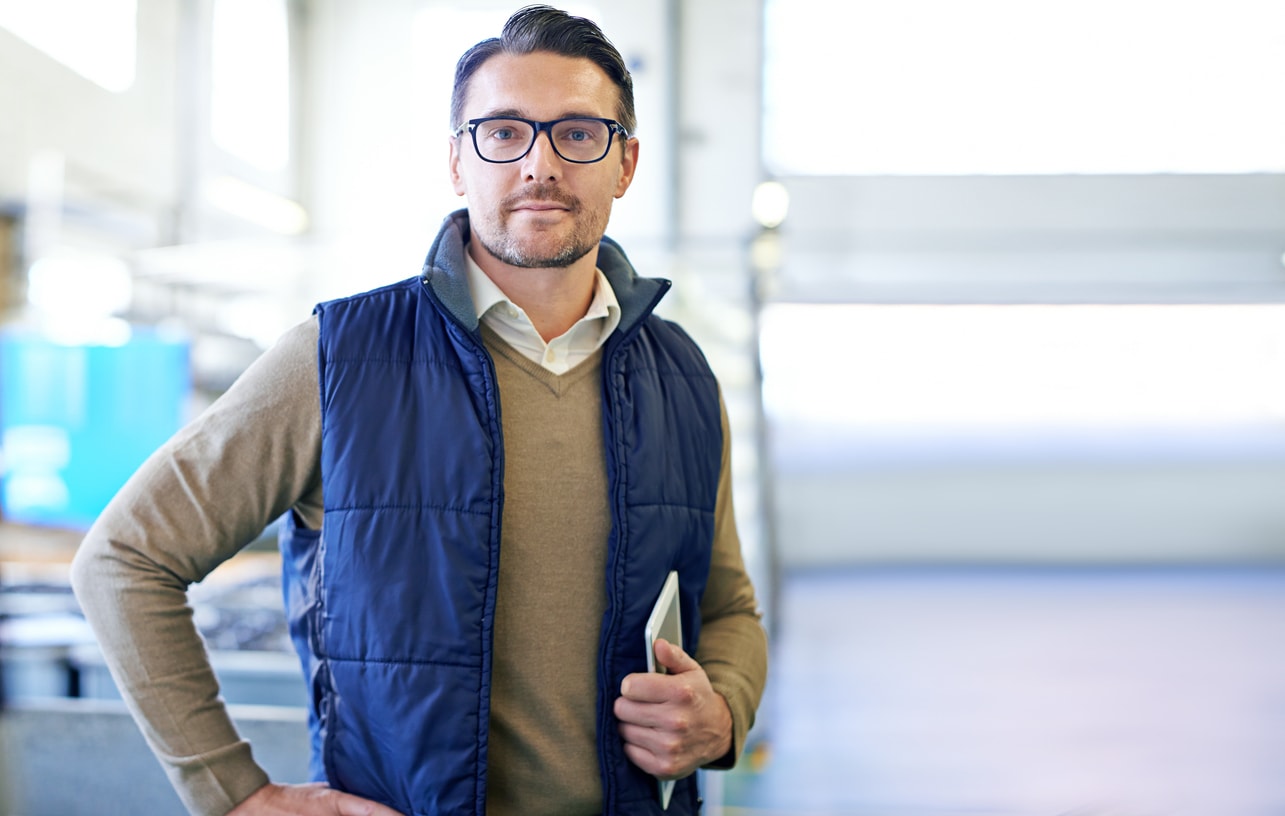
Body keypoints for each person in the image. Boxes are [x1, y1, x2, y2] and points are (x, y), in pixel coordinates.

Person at [70, 5, 767, 816]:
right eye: (502, 132)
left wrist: (723, 713)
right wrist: (232, 792)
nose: (540, 163)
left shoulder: (680, 374)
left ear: (626, 162)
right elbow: (124, 559)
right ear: (456, 162)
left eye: (578, 133)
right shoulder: (335, 358)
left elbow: (729, 609)